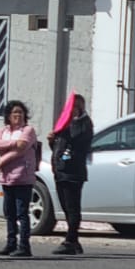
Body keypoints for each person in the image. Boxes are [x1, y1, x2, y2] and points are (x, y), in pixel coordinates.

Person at [48, 92, 93, 255]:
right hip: (60, 170)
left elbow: (76, 144)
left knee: (73, 206)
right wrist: (53, 140)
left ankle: (70, 240)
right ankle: (74, 240)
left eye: (74, 107)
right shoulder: (66, 125)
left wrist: (65, 130)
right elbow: (60, 148)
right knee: (65, 206)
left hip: (73, 171)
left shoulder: (83, 124)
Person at [0, 100, 39, 257]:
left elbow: (21, 148)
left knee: (22, 213)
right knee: (9, 213)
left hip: (23, 177)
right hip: (7, 178)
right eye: (14, 113)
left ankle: (24, 246)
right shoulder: (3, 131)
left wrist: (2, 160)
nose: (18, 115)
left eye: (20, 112)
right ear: (8, 116)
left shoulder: (28, 130)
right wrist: (13, 142)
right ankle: (10, 243)